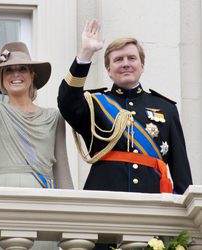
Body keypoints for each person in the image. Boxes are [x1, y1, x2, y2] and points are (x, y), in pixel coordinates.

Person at [58, 18, 193, 250]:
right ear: (109, 71)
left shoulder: (166, 109)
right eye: (118, 60)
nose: (126, 63)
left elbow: (181, 171)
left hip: (153, 210)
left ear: (142, 65)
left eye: (132, 58)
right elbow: (67, 101)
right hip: (103, 209)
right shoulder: (95, 104)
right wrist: (85, 53)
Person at [0, 0, 73, 249]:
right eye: (8, 70)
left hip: (44, 200)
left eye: (23, 68)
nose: (16, 74)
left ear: (33, 75)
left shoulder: (54, 116)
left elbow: (62, 171)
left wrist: (73, 219)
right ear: (1, 78)